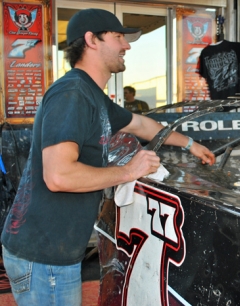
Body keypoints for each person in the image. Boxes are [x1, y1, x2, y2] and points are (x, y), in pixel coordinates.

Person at [0, 8, 215, 306]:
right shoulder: (71, 94)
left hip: (51, 253)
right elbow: (59, 175)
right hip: (44, 256)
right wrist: (128, 171)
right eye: (118, 37)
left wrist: (191, 144)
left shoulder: (93, 96)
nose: (126, 46)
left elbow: (141, 124)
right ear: (91, 40)